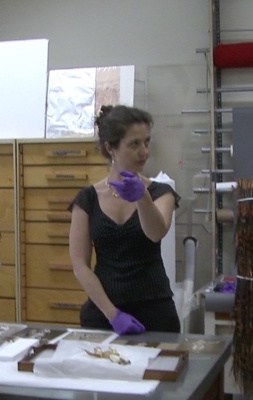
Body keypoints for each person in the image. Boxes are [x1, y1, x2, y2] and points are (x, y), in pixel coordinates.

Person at [68, 105, 181, 334]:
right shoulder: (87, 199)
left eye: (147, 142)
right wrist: (113, 315)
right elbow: (80, 264)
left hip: (155, 312)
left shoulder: (160, 192)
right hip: (104, 313)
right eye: (134, 144)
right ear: (111, 148)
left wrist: (143, 197)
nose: (144, 152)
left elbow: (155, 232)